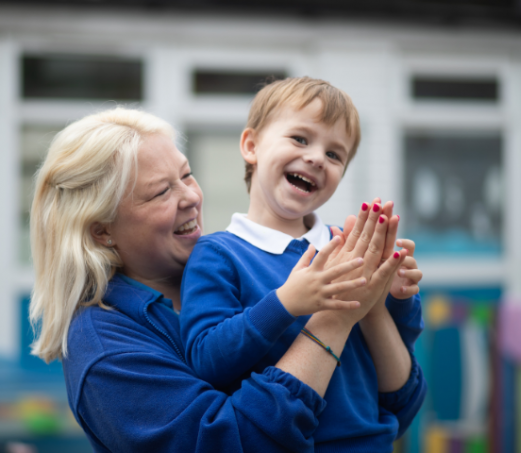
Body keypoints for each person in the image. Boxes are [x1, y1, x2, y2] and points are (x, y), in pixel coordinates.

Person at [28, 107, 406, 452]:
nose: (190, 197)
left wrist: (375, 303)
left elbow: (393, 409)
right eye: (161, 191)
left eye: (187, 175)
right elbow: (235, 442)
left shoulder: (238, 269)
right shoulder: (105, 350)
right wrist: (335, 319)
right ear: (102, 231)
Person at [180, 77, 427, 451]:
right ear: (251, 145)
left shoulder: (346, 246)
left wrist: (393, 296)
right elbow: (206, 360)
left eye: (335, 154)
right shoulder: (217, 254)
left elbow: (400, 381)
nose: (316, 158)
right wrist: (286, 302)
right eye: (300, 139)